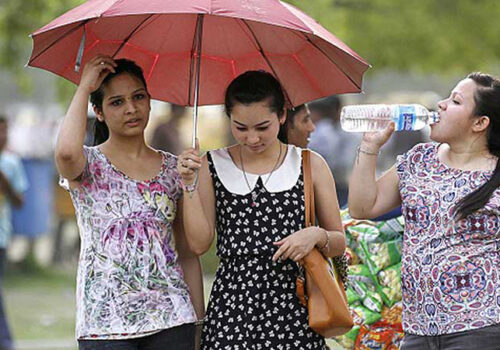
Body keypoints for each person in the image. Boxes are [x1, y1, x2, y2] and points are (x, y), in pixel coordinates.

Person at [178, 70, 346, 349]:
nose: (252, 138)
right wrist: (189, 184)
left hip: (295, 312)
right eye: (240, 128)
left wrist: (314, 236)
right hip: (232, 312)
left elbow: (339, 242)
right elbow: (198, 244)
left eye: (262, 127)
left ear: (282, 116)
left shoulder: (310, 164)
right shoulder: (210, 164)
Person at [54, 55, 204, 350]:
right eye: (117, 102)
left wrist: (199, 323)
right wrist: (84, 86)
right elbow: (65, 154)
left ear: (150, 101)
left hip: (172, 319)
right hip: (105, 324)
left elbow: (189, 253)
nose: (131, 109)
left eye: (138, 97)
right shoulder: (89, 165)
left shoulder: (175, 170)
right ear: (98, 111)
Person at [348, 72, 500, 349]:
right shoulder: (419, 159)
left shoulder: (496, 174)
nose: (441, 105)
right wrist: (370, 146)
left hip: (481, 329)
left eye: (455, 101)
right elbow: (362, 207)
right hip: (417, 329)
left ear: (480, 123)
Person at [0, 116, 27, 350]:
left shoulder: (11, 163)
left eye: (4, 132)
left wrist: (5, 183)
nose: (2, 136)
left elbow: (20, 201)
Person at [308, 95, 360, 207]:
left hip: (344, 186)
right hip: (329, 184)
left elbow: (345, 163)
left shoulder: (349, 133)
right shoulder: (325, 129)